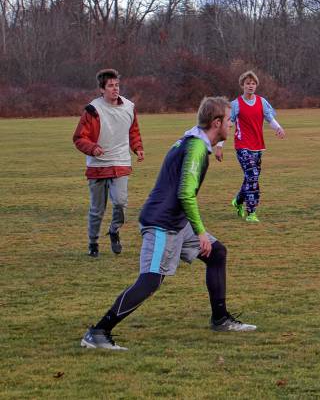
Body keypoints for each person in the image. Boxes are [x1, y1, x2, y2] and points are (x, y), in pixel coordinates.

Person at [81, 97, 256, 350]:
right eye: (229, 120)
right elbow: (185, 193)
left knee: (217, 253)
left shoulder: (193, 140)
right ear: (217, 122)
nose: (232, 125)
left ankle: (220, 319)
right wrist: (201, 232)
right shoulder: (196, 148)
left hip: (176, 220)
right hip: (162, 223)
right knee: (151, 279)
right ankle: (98, 332)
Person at [73, 69, 144, 258]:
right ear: (102, 89)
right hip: (97, 165)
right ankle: (93, 242)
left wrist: (137, 148)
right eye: (110, 86)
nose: (115, 89)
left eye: (117, 85)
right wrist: (92, 148)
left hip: (120, 162)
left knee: (120, 202)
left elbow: (133, 131)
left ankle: (114, 230)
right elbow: (79, 138)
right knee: (97, 210)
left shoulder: (129, 106)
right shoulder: (92, 110)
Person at [216, 70, 285, 224]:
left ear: (256, 86)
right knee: (253, 175)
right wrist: (219, 146)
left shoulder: (261, 102)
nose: (250, 86)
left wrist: (279, 128)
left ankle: (238, 201)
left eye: (253, 83)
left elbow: (269, 118)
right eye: (247, 83)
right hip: (242, 146)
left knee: (250, 178)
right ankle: (251, 212)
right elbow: (228, 124)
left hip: (258, 146)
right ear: (242, 85)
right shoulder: (235, 105)